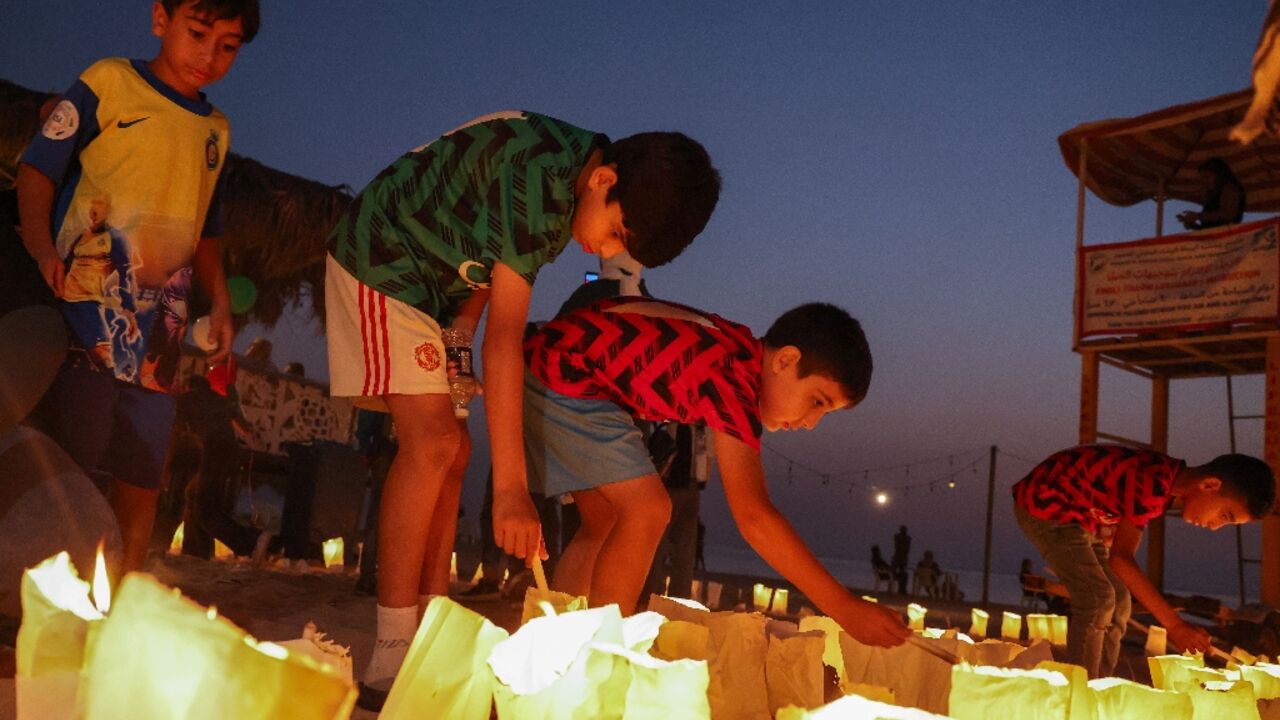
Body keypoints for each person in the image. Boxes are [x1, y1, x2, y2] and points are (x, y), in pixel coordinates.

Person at [323, 111, 719, 707]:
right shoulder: (543, 181)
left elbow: (479, 242)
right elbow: (507, 340)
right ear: (605, 180)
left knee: (454, 452)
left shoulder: (571, 179)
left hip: (440, 297)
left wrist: (458, 340)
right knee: (430, 445)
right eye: (614, 235)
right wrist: (511, 489)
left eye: (620, 250)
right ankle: (393, 646)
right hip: (383, 260)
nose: (605, 249)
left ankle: (431, 624)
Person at [17, 0, 259, 574]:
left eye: (227, 46)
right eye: (197, 33)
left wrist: (221, 299)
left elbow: (207, 230)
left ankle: (119, 603)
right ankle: (32, 599)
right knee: (66, 463)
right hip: (84, 312)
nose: (209, 55)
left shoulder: (215, 130)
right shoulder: (109, 82)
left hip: (162, 335)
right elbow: (38, 170)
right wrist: (42, 248)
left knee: (143, 470)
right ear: (160, 19)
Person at [523, 297, 910, 648]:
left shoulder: (730, 347)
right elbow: (754, 516)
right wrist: (844, 608)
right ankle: (599, 659)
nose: (810, 422)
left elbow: (632, 308)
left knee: (605, 519)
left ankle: (554, 643)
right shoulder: (734, 379)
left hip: (549, 361)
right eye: (817, 401)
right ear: (786, 361)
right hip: (565, 375)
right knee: (647, 511)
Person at [1013, 444, 1275, 678]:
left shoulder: (1166, 482)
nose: (1216, 527)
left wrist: (1109, 527)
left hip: (1082, 520)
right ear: (1209, 485)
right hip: (1045, 506)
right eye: (1226, 515)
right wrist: (1174, 624)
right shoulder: (1154, 481)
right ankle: (1079, 689)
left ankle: (1098, 682)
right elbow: (1121, 559)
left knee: (1119, 601)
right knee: (1097, 598)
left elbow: (1116, 511)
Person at [1177, 157, 1245, 231]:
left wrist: (1198, 216)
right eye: (1202, 178)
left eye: (1207, 177)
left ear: (1219, 175)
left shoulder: (1230, 189)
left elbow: (1228, 214)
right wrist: (1193, 226)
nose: (1204, 181)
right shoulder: (1211, 194)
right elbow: (1211, 228)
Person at [892, 525, 911, 594]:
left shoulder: (907, 538)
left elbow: (906, 549)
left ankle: (902, 589)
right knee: (896, 574)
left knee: (903, 574)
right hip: (899, 558)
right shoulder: (898, 537)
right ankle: (900, 590)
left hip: (902, 559)